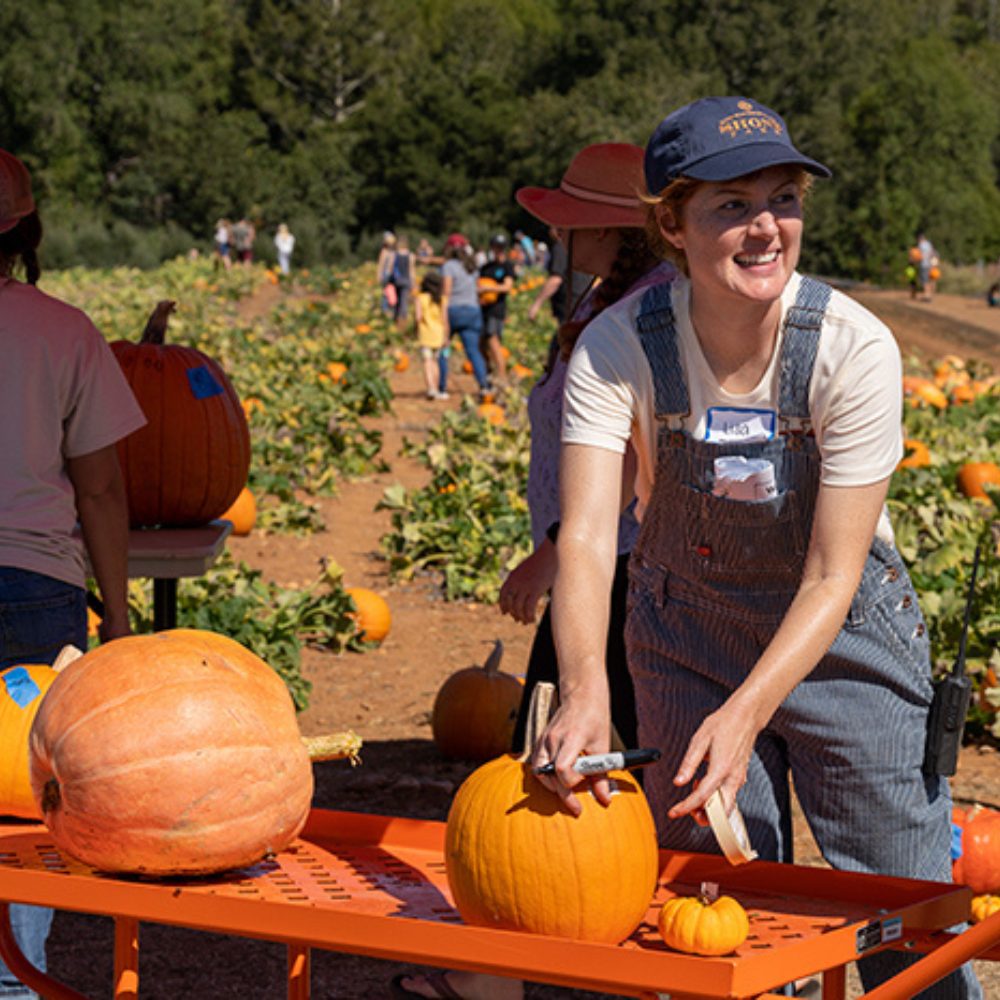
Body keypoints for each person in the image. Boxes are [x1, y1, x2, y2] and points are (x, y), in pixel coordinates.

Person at [532, 97, 981, 998]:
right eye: (730, 206)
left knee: (905, 909)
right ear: (671, 223)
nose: (765, 227)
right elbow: (584, 534)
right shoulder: (616, 349)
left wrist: (743, 715)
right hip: (685, 637)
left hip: (840, 636)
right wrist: (585, 689)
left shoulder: (852, 350)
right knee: (715, 911)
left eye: (782, 198)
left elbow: (832, 571)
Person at [393, 143, 675, 1000]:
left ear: (608, 227)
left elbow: (637, 452)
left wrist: (552, 552)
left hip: (618, 563)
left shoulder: (652, 305)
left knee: (579, 756)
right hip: (591, 558)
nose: (555, 230)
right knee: (562, 751)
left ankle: (558, 966)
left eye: (569, 216)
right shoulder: (600, 298)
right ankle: (524, 963)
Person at [0, 148, 146, 998]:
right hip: (36, 590)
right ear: (25, 231)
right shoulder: (65, 331)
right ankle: (16, 984)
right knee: (25, 802)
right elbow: (102, 489)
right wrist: (118, 625)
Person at [440, 240, 491, 400]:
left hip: (454, 311)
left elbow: (447, 292)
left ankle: (441, 387)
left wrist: (443, 315)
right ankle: (484, 386)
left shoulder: (449, 266)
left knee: (444, 348)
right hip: (472, 311)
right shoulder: (471, 266)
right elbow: (477, 289)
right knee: (473, 351)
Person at [526, 224, 592, 326]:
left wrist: (536, 304)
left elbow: (556, 279)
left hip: (569, 306)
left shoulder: (560, 247)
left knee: (564, 340)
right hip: (581, 304)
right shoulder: (575, 245)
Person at [477, 234, 516, 383]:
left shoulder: (507, 266)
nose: (498, 250)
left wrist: (490, 288)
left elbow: (507, 286)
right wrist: (480, 295)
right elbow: (478, 284)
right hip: (483, 309)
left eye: (501, 247)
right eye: (496, 247)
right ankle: (488, 372)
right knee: (481, 344)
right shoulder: (486, 267)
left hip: (497, 309)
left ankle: (502, 377)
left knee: (493, 341)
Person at [413, 270, 449, 400]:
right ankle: (438, 388)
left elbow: (418, 317)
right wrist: (446, 336)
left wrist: (415, 329)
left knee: (427, 361)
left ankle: (431, 388)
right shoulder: (442, 299)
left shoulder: (420, 298)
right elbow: (445, 319)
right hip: (438, 334)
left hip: (425, 334)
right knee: (436, 361)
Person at [387, 234, 417, 331]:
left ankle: (395, 319)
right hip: (406, 281)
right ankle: (402, 323)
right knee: (404, 302)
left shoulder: (394, 254)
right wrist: (413, 283)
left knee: (397, 300)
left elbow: (390, 268)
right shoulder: (411, 255)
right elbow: (411, 270)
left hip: (396, 281)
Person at [916, 230, 939, 302]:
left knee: (924, 281)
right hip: (929, 264)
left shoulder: (920, 245)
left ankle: (927, 296)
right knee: (930, 280)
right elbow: (932, 253)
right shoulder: (928, 244)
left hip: (923, 264)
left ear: (919, 238)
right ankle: (929, 294)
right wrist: (933, 264)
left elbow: (918, 255)